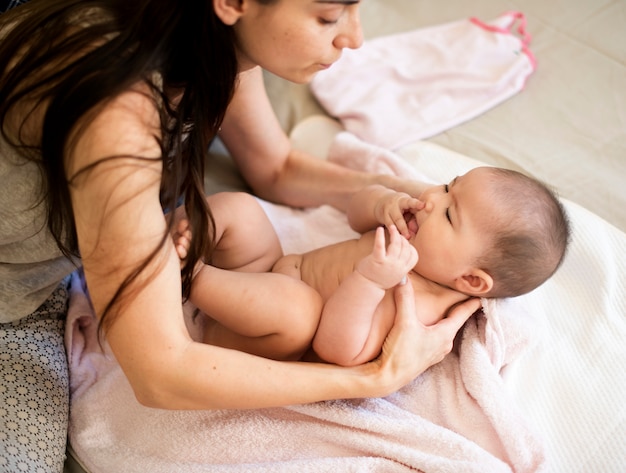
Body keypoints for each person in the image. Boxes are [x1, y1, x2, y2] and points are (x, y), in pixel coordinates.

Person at [0, 1, 481, 471]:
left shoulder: (210, 39)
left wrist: (414, 199)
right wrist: (372, 378)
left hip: (95, 249)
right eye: (329, 15)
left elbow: (277, 167)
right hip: (16, 302)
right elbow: (160, 375)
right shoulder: (116, 110)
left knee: (245, 220)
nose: (354, 38)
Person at [178, 166, 570, 366]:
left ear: (469, 278)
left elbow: (339, 351)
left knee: (299, 312)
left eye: (450, 214)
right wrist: (381, 202)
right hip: (265, 271)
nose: (432, 198)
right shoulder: (412, 229)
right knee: (241, 209)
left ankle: (182, 276)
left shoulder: (421, 303)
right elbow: (355, 217)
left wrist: (368, 281)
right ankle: (161, 237)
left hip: (263, 334)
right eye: (449, 186)